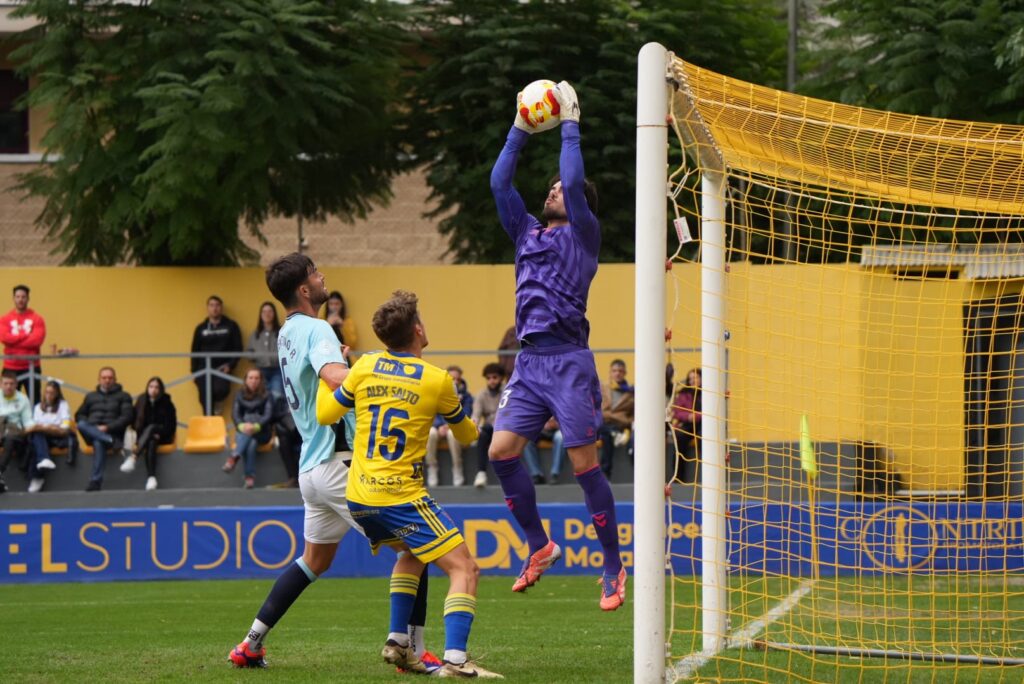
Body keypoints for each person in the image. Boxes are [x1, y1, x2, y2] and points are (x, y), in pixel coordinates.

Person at [228, 254, 437, 673]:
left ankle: (250, 644)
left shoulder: (287, 332)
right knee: (419, 545)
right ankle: (410, 649)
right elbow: (336, 379)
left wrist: (345, 364)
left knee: (314, 561)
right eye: (317, 275)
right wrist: (376, 375)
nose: (324, 278)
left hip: (313, 465)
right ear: (305, 290)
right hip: (341, 462)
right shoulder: (318, 327)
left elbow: (324, 374)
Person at [488, 81, 626, 611]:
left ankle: (613, 568)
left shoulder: (584, 236)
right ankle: (539, 544)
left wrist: (569, 124)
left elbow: (573, 175)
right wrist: (521, 130)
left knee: (584, 464)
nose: (553, 190)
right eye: (548, 188)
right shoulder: (527, 233)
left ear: (581, 205)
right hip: (528, 363)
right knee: (500, 453)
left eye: (560, 189)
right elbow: (500, 182)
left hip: (568, 360)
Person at [317, 290, 501, 679]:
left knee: (413, 555)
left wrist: (327, 373)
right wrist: (477, 425)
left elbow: (325, 413)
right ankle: (455, 660)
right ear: (417, 329)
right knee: (465, 568)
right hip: (398, 494)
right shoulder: (437, 380)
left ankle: (398, 641)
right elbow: (467, 437)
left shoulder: (365, 366)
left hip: (359, 495)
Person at [76, 366, 133, 492]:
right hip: (93, 433)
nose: (107, 380)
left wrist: (107, 427)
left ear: (115, 380)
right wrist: (93, 426)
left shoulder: (124, 396)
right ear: (99, 379)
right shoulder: (90, 396)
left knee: (98, 442)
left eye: (110, 378)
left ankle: (95, 481)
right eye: (104, 378)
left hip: (113, 433)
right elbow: (79, 415)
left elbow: (127, 417)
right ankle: (109, 440)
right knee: (80, 424)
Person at [190, 295, 243, 415]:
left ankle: (218, 403)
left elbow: (238, 347)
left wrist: (230, 365)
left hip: (222, 367)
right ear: (207, 308)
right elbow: (195, 350)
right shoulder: (201, 328)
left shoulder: (231, 326)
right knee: (204, 398)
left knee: (221, 390)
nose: (215, 308)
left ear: (221, 308)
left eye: (217, 305)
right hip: (203, 368)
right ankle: (209, 423)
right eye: (212, 305)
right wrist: (194, 371)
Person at [223, 368, 274, 489]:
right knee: (251, 444)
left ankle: (234, 457)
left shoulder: (267, 394)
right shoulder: (239, 394)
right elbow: (235, 414)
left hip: (263, 431)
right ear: (245, 380)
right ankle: (249, 478)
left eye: (257, 378)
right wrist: (241, 425)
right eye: (250, 378)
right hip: (244, 430)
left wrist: (256, 426)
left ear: (261, 380)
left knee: (248, 436)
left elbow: (269, 414)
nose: (253, 381)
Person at [123, 377, 177, 491]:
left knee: (152, 427)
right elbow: (135, 423)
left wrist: (160, 434)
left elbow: (171, 426)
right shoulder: (142, 401)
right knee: (151, 441)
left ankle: (133, 457)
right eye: (151, 387)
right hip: (146, 438)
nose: (153, 390)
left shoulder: (167, 403)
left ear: (161, 389)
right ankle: (151, 478)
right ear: (147, 388)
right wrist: (148, 435)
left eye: (157, 387)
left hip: (164, 436)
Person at [425, 365, 473, 487]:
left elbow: (466, 414)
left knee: (453, 434)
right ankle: (432, 467)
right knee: (431, 433)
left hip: (455, 428)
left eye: (458, 379)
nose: (455, 382)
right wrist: (439, 425)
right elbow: (432, 413)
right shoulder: (437, 394)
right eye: (452, 379)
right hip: (438, 428)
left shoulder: (467, 397)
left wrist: (449, 426)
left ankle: (457, 467)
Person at [26, 380, 75, 493]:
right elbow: (35, 424)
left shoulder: (63, 405)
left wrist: (47, 428)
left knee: (37, 438)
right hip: (43, 436)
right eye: (47, 392)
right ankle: (44, 460)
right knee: (37, 436)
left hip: (58, 437)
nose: (48, 395)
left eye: (52, 393)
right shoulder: (38, 407)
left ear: (57, 393)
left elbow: (64, 427)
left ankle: (37, 477)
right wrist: (47, 427)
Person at [0, 284, 45, 403]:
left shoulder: (37, 319)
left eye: (23, 297)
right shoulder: (5, 319)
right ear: (13, 298)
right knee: (7, 401)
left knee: (35, 401)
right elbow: (4, 338)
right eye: (18, 297)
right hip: (10, 367)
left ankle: (33, 422)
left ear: (28, 298)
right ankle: (7, 423)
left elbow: (37, 340)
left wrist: (14, 341)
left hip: (31, 366)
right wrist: (26, 335)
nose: (20, 299)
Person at [470, 363, 505, 488]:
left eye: (495, 377)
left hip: (506, 429)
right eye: (489, 378)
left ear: (501, 378)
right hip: (489, 430)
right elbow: (476, 415)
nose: (492, 381)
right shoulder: (481, 395)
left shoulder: (508, 392)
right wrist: (474, 428)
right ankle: (481, 473)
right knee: (483, 434)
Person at [599, 359, 635, 478]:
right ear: (610, 373)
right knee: (603, 430)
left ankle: (605, 473)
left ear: (625, 373)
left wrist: (616, 417)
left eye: (620, 371)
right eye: (614, 371)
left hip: (619, 427)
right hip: (601, 423)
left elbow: (632, 418)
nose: (617, 373)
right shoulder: (602, 388)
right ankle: (605, 473)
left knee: (606, 434)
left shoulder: (631, 393)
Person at [0, 371, 34, 493]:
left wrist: (29, 429)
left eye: (11, 384)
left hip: (15, 430)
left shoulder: (23, 399)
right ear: (1, 384)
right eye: (6, 383)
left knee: (10, 437)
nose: (8, 386)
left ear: (16, 385)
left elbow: (28, 421)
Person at [670, 368, 702, 485]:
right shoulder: (684, 393)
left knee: (703, 437)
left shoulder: (707, 393)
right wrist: (689, 416)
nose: (693, 380)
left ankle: (705, 475)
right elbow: (677, 411)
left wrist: (696, 416)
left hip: (703, 424)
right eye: (690, 378)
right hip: (688, 424)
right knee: (679, 437)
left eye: (696, 378)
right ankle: (678, 477)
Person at [247, 302, 284, 400]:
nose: (267, 314)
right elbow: (249, 353)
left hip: (277, 370)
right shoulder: (255, 334)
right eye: (264, 312)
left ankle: (276, 416)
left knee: (277, 395)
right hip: (260, 369)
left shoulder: (282, 332)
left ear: (274, 314)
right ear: (260, 315)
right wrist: (258, 356)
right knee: (261, 397)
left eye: (270, 311)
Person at [323, 290, 358, 362]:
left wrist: (342, 325)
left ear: (342, 305)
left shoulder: (348, 321)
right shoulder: (322, 320)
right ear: (327, 306)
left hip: (346, 357)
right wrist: (328, 325)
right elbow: (319, 342)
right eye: (331, 304)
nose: (334, 307)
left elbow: (352, 344)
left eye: (337, 304)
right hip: (327, 357)